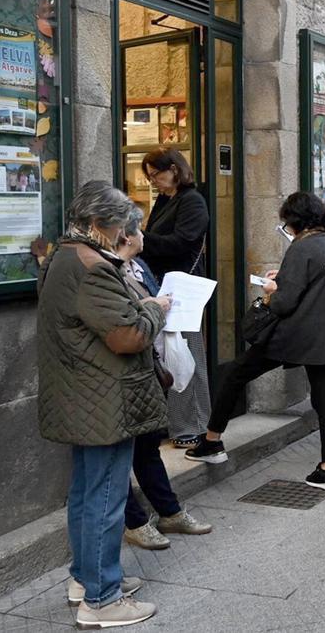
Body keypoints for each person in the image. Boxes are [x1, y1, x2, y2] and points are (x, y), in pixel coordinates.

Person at [37, 181, 169, 628]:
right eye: (120, 225)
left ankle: (85, 579)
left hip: (84, 395)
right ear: (98, 224)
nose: (124, 233)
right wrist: (155, 307)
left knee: (88, 493)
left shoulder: (66, 255)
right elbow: (128, 334)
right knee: (106, 497)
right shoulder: (91, 266)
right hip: (103, 398)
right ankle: (102, 599)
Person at [186, 193, 325, 493]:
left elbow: (285, 303)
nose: (286, 227)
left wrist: (273, 288)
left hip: (292, 335)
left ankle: (212, 440)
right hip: (324, 336)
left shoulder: (302, 247)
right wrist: (283, 280)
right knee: (324, 398)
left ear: (296, 220)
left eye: (287, 222)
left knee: (236, 373)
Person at [114, 208, 213, 550]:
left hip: (148, 368)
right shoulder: (109, 272)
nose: (146, 234)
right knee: (117, 456)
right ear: (125, 236)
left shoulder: (138, 267)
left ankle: (169, 512)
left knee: (148, 445)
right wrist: (157, 307)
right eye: (140, 229)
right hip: (124, 373)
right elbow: (128, 321)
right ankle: (135, 522)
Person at [139, 147, 211, 449]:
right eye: (150, 177)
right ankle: (180, 424)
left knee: (186, 355)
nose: (154, 181)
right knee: (173, 354)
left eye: (157, 174)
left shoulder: (192, 201)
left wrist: (143, 240)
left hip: (183, 291)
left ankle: (193, 426)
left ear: (175, 169)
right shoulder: (166, 199)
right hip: (165, 286)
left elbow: (182, 243)